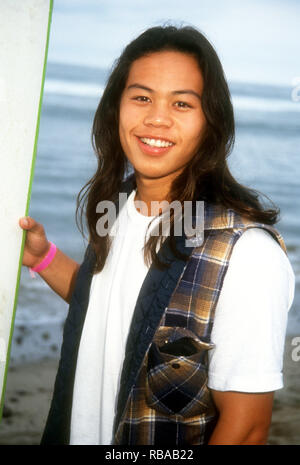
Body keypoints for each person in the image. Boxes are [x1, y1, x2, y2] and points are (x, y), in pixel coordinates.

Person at [19, 25, 295, 445]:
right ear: (117, 107)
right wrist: (41, 257)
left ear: (211, 122)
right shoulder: (121, 205)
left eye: (182, 103)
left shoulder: (245, 253)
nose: (157, 118)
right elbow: (109, 308)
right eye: (142, 97)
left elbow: (246, 429)